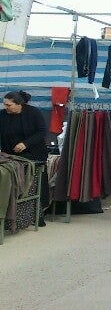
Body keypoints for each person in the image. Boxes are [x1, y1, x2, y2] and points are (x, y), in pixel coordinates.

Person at [0, 90, 50, 226]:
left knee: (34, 185)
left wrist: (25, 143)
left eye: (8, 105)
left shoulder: (33, 113)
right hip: (10, 154)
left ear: (18, 104)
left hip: (34, 155)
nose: (6, 107)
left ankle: (37, 216)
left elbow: (42, 132)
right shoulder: (2, 115)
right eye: (5, 105)